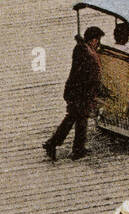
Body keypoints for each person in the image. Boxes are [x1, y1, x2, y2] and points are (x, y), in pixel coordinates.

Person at [43, 24, 104, 162]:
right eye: (97, 40)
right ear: (93, 40)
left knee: (73, 118)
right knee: (79, 119)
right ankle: (73, 148)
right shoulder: (88, 55)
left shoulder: (81, 49)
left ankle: (63, 145)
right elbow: (90, 77)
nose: (98, 43)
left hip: (75, 91)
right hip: (81, 93)